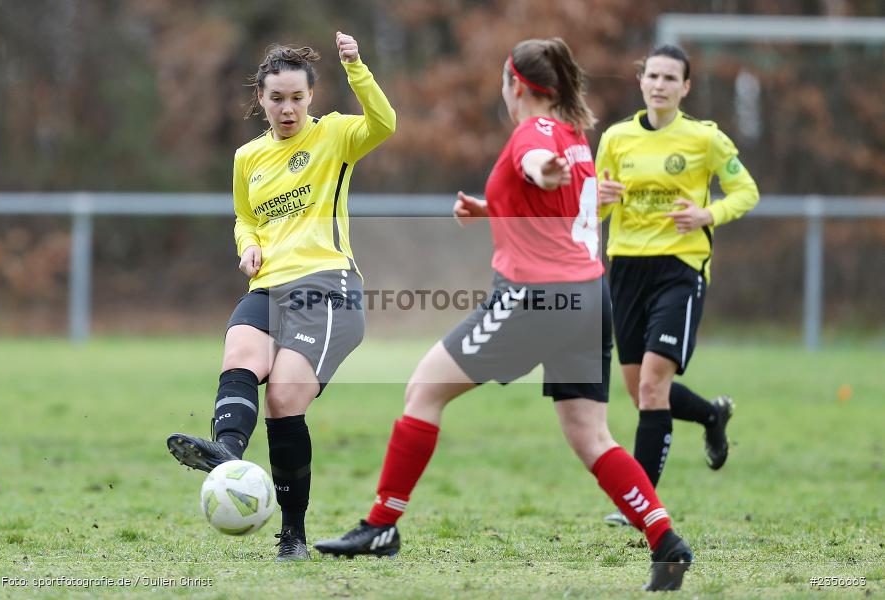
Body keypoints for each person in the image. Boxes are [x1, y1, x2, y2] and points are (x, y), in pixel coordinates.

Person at [315, 38, 693, 592]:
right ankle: (665, 540)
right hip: (589, 298)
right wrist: (493, 206)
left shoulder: (536, 133)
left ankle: (381, 526)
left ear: (515, 84)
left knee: (423, 390)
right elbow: (556, 204)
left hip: (535, 298)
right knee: (590, 434)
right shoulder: (575, 136)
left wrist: (540, 171)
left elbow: (537, 166)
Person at [165, 32, 396, 560]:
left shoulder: (335, 136)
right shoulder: (248, 157)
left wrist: (357, 66)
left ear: (310, 97)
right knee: (240, 355)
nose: (287, 108)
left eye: (296, 97)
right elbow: (245, 218)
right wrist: (247, 246)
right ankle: (227, 456)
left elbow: (385, 123)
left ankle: (292, 533)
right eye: (276, 99)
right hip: (268, 285)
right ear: (261, 100)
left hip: (328, 285)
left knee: (284, 399)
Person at [595, 45, 759, 527]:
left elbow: (746, 191)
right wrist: (598, 198)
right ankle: (711, 415)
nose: (660, 84)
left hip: (679, 269)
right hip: (625, 269)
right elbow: (598, 210)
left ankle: (639, 504)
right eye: (653, 76)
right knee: (641, 391)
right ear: (641, 81)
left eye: (671, 78)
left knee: (652, 384)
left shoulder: (704, 140)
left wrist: (709, 213)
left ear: (685, 88)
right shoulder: (616, 138)